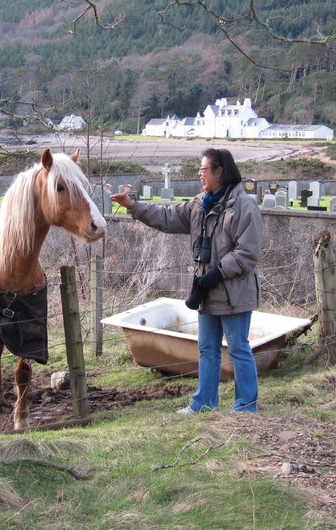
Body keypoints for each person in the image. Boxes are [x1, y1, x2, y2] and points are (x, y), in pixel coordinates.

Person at [109, 148, 262, 413]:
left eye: (203, 169)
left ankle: (246, 407)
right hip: (206, 290)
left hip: (233, 292)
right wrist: (134, 207)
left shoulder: (243, 205)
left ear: (219, 171)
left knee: (238, 349)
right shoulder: (200, 204)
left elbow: (248, 253)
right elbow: (167, 217)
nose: (199, 174)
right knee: (207, 350)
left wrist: (215, 274)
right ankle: (204, 404)